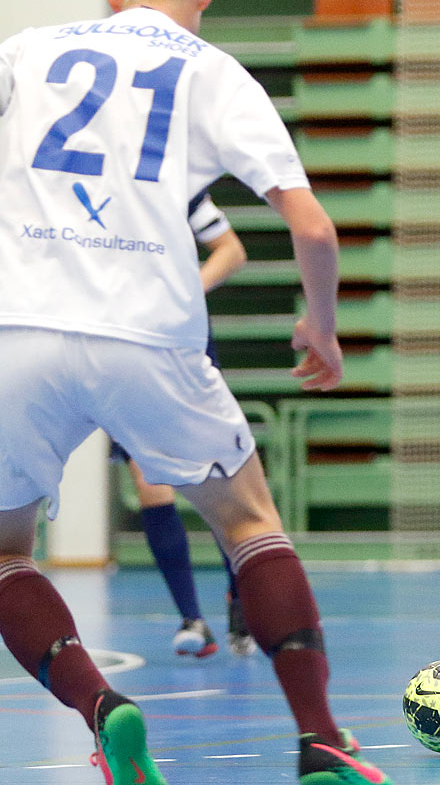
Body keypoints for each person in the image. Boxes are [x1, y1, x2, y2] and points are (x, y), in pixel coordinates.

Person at [0, 0, 388, 784]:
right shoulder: (213, 73)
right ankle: (323, 741)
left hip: (17, 331)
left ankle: (105, 710)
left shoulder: (27, 51)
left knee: (4, 554)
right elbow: (312, 226)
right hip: (146, 329)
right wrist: (319, 326)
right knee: (250, 522)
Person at [109, 190, 256, 660]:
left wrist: (182, 293)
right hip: (123, 348)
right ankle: (191, 618)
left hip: (182, 346)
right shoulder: (92, 190)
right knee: (149, 481)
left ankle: (240, 597)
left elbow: (231, 251)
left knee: (214, 482)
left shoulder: (179, 183)